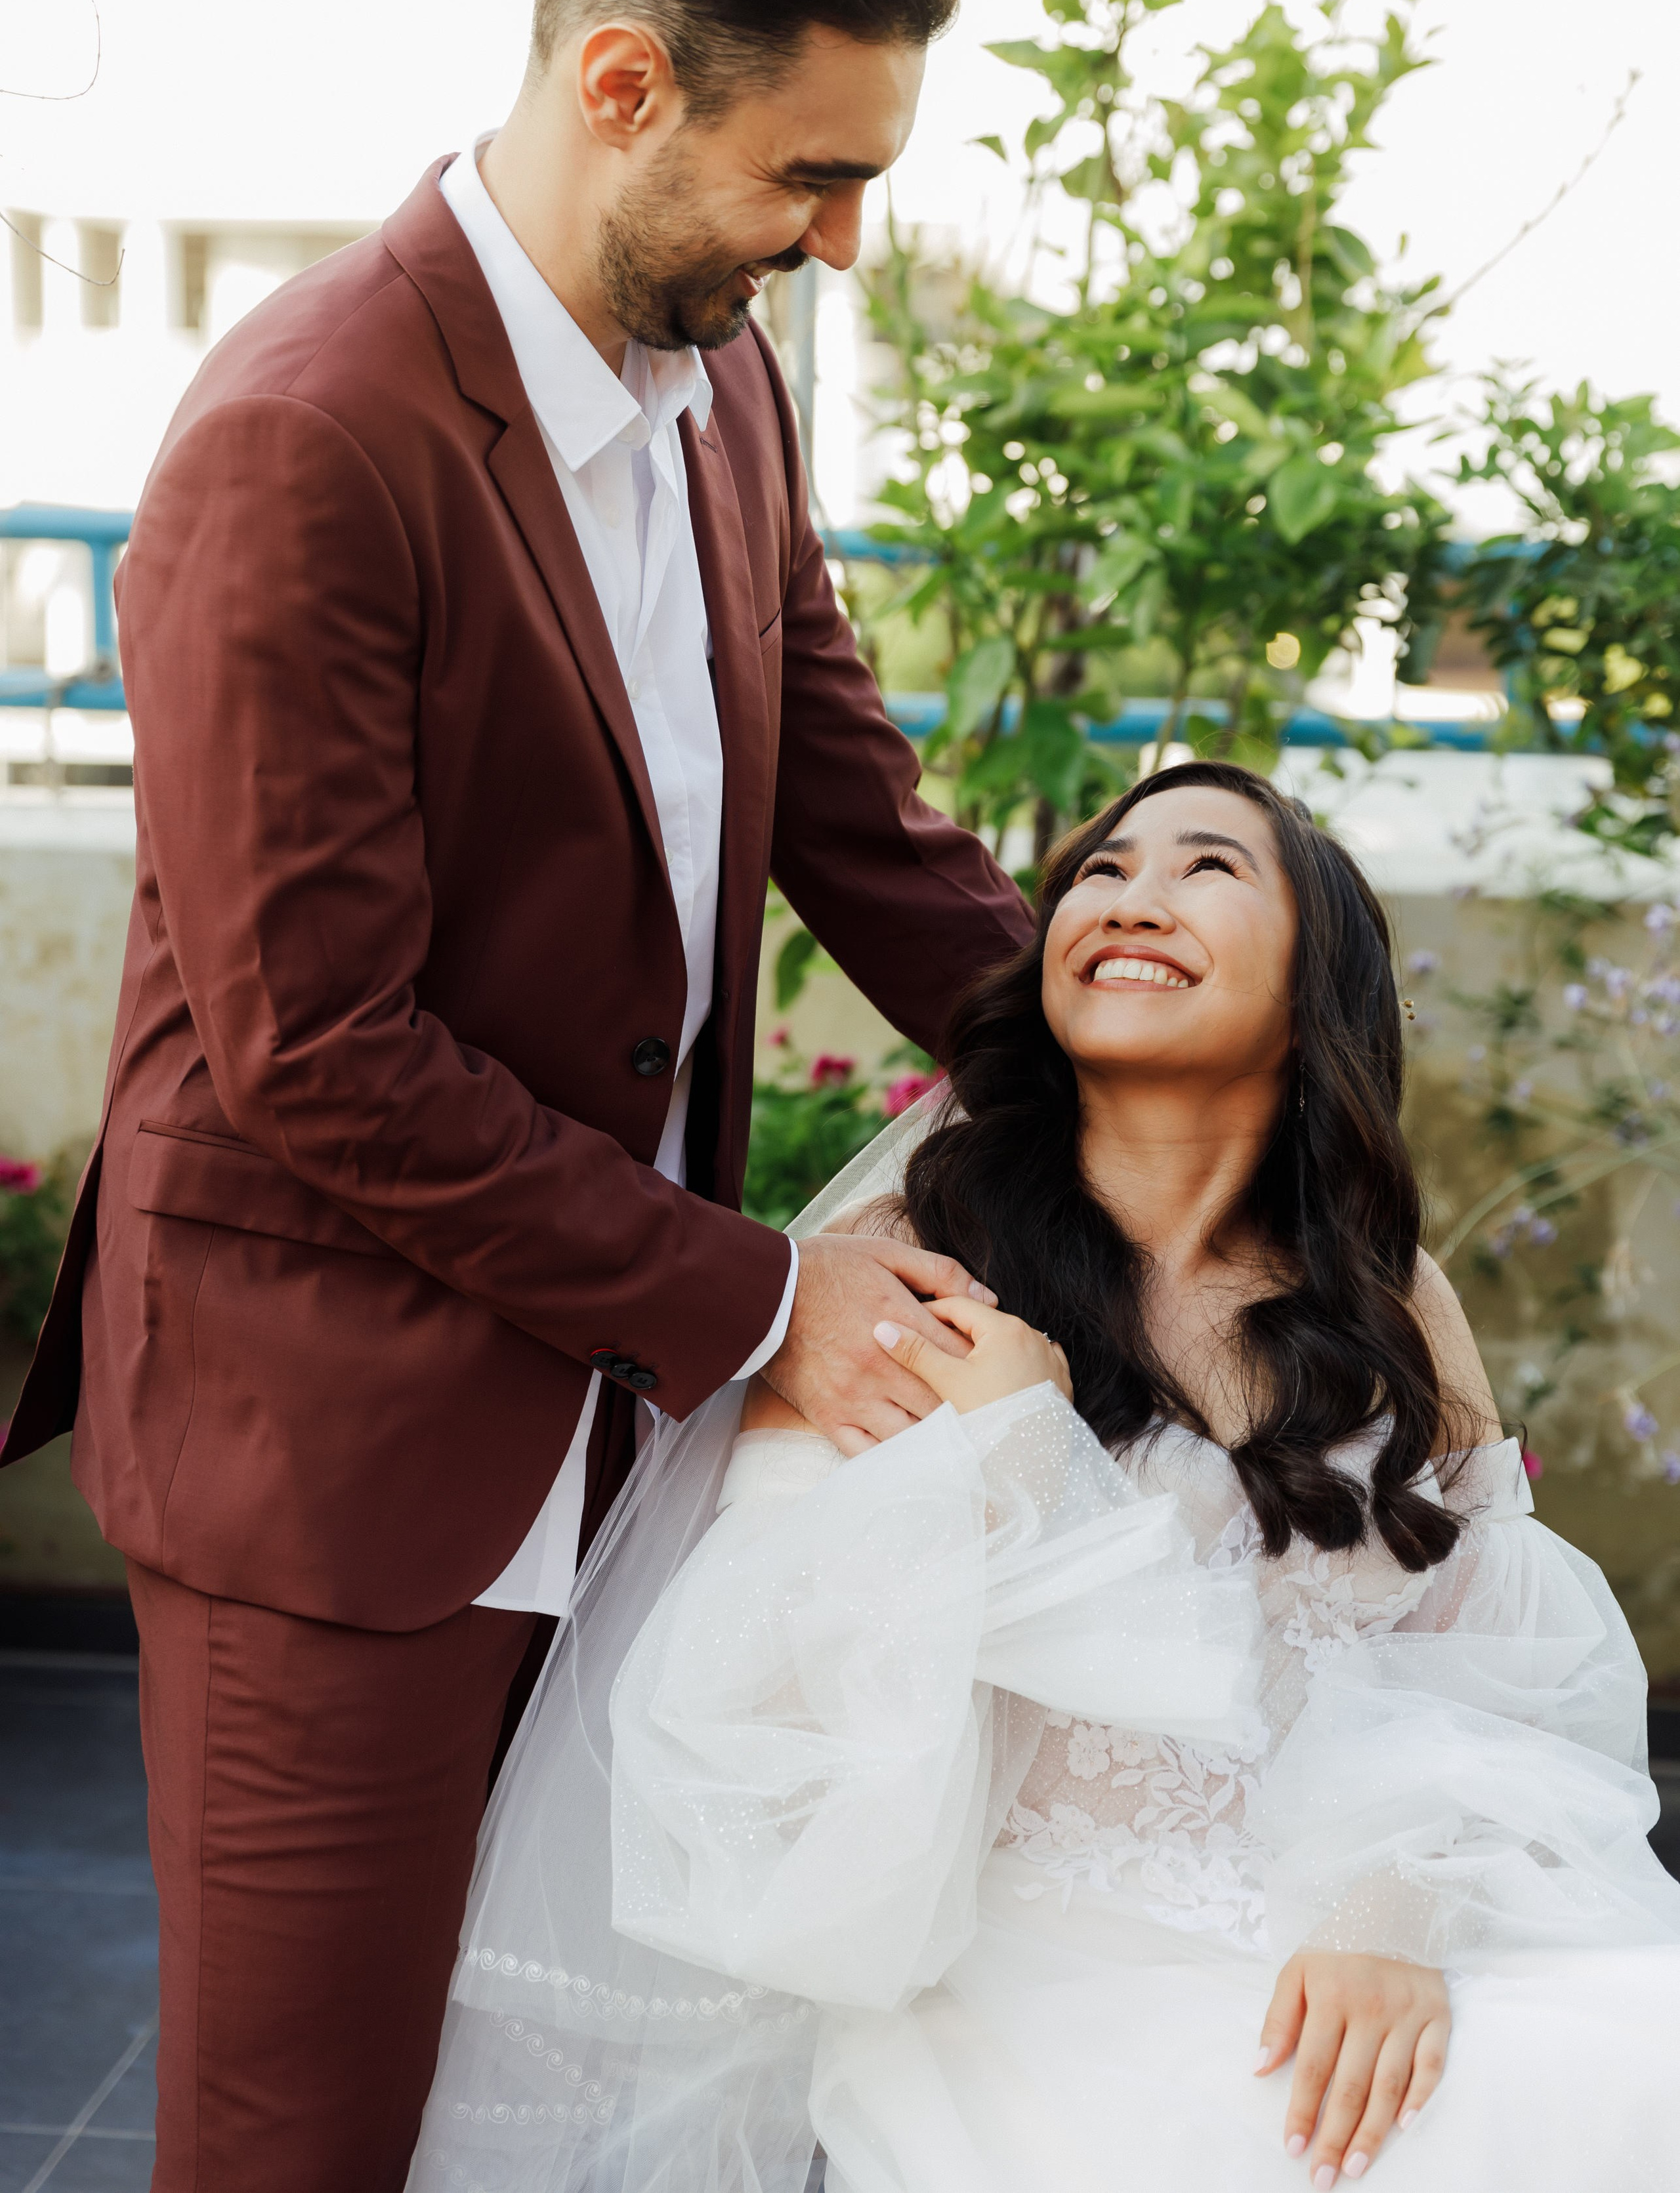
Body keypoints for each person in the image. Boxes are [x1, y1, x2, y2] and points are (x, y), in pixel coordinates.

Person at [0, 0, 1034, 2193]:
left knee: (530, 2111)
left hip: (611, 1431)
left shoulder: (727, 387)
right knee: (305, 2138)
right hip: (330, 1453)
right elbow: (321, 1052)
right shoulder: (303, 438)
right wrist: (767, 1305)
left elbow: (855, 812)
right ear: (623, 83)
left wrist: (1187, 1086)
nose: (842, 243)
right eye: (814, 175)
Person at [410, 763, 1680, 2193]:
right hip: (1020, 1979)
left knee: (1639, 2063)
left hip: (1345, 1937)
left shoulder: (1393, 1302)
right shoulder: (911, 1263)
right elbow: (756, 1725)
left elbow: (1491, 1677)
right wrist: (1019, 1456)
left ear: (1316, 981)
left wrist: (1387, 1914)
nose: (1129, 898)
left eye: (1207, 867)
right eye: (1100, 871)